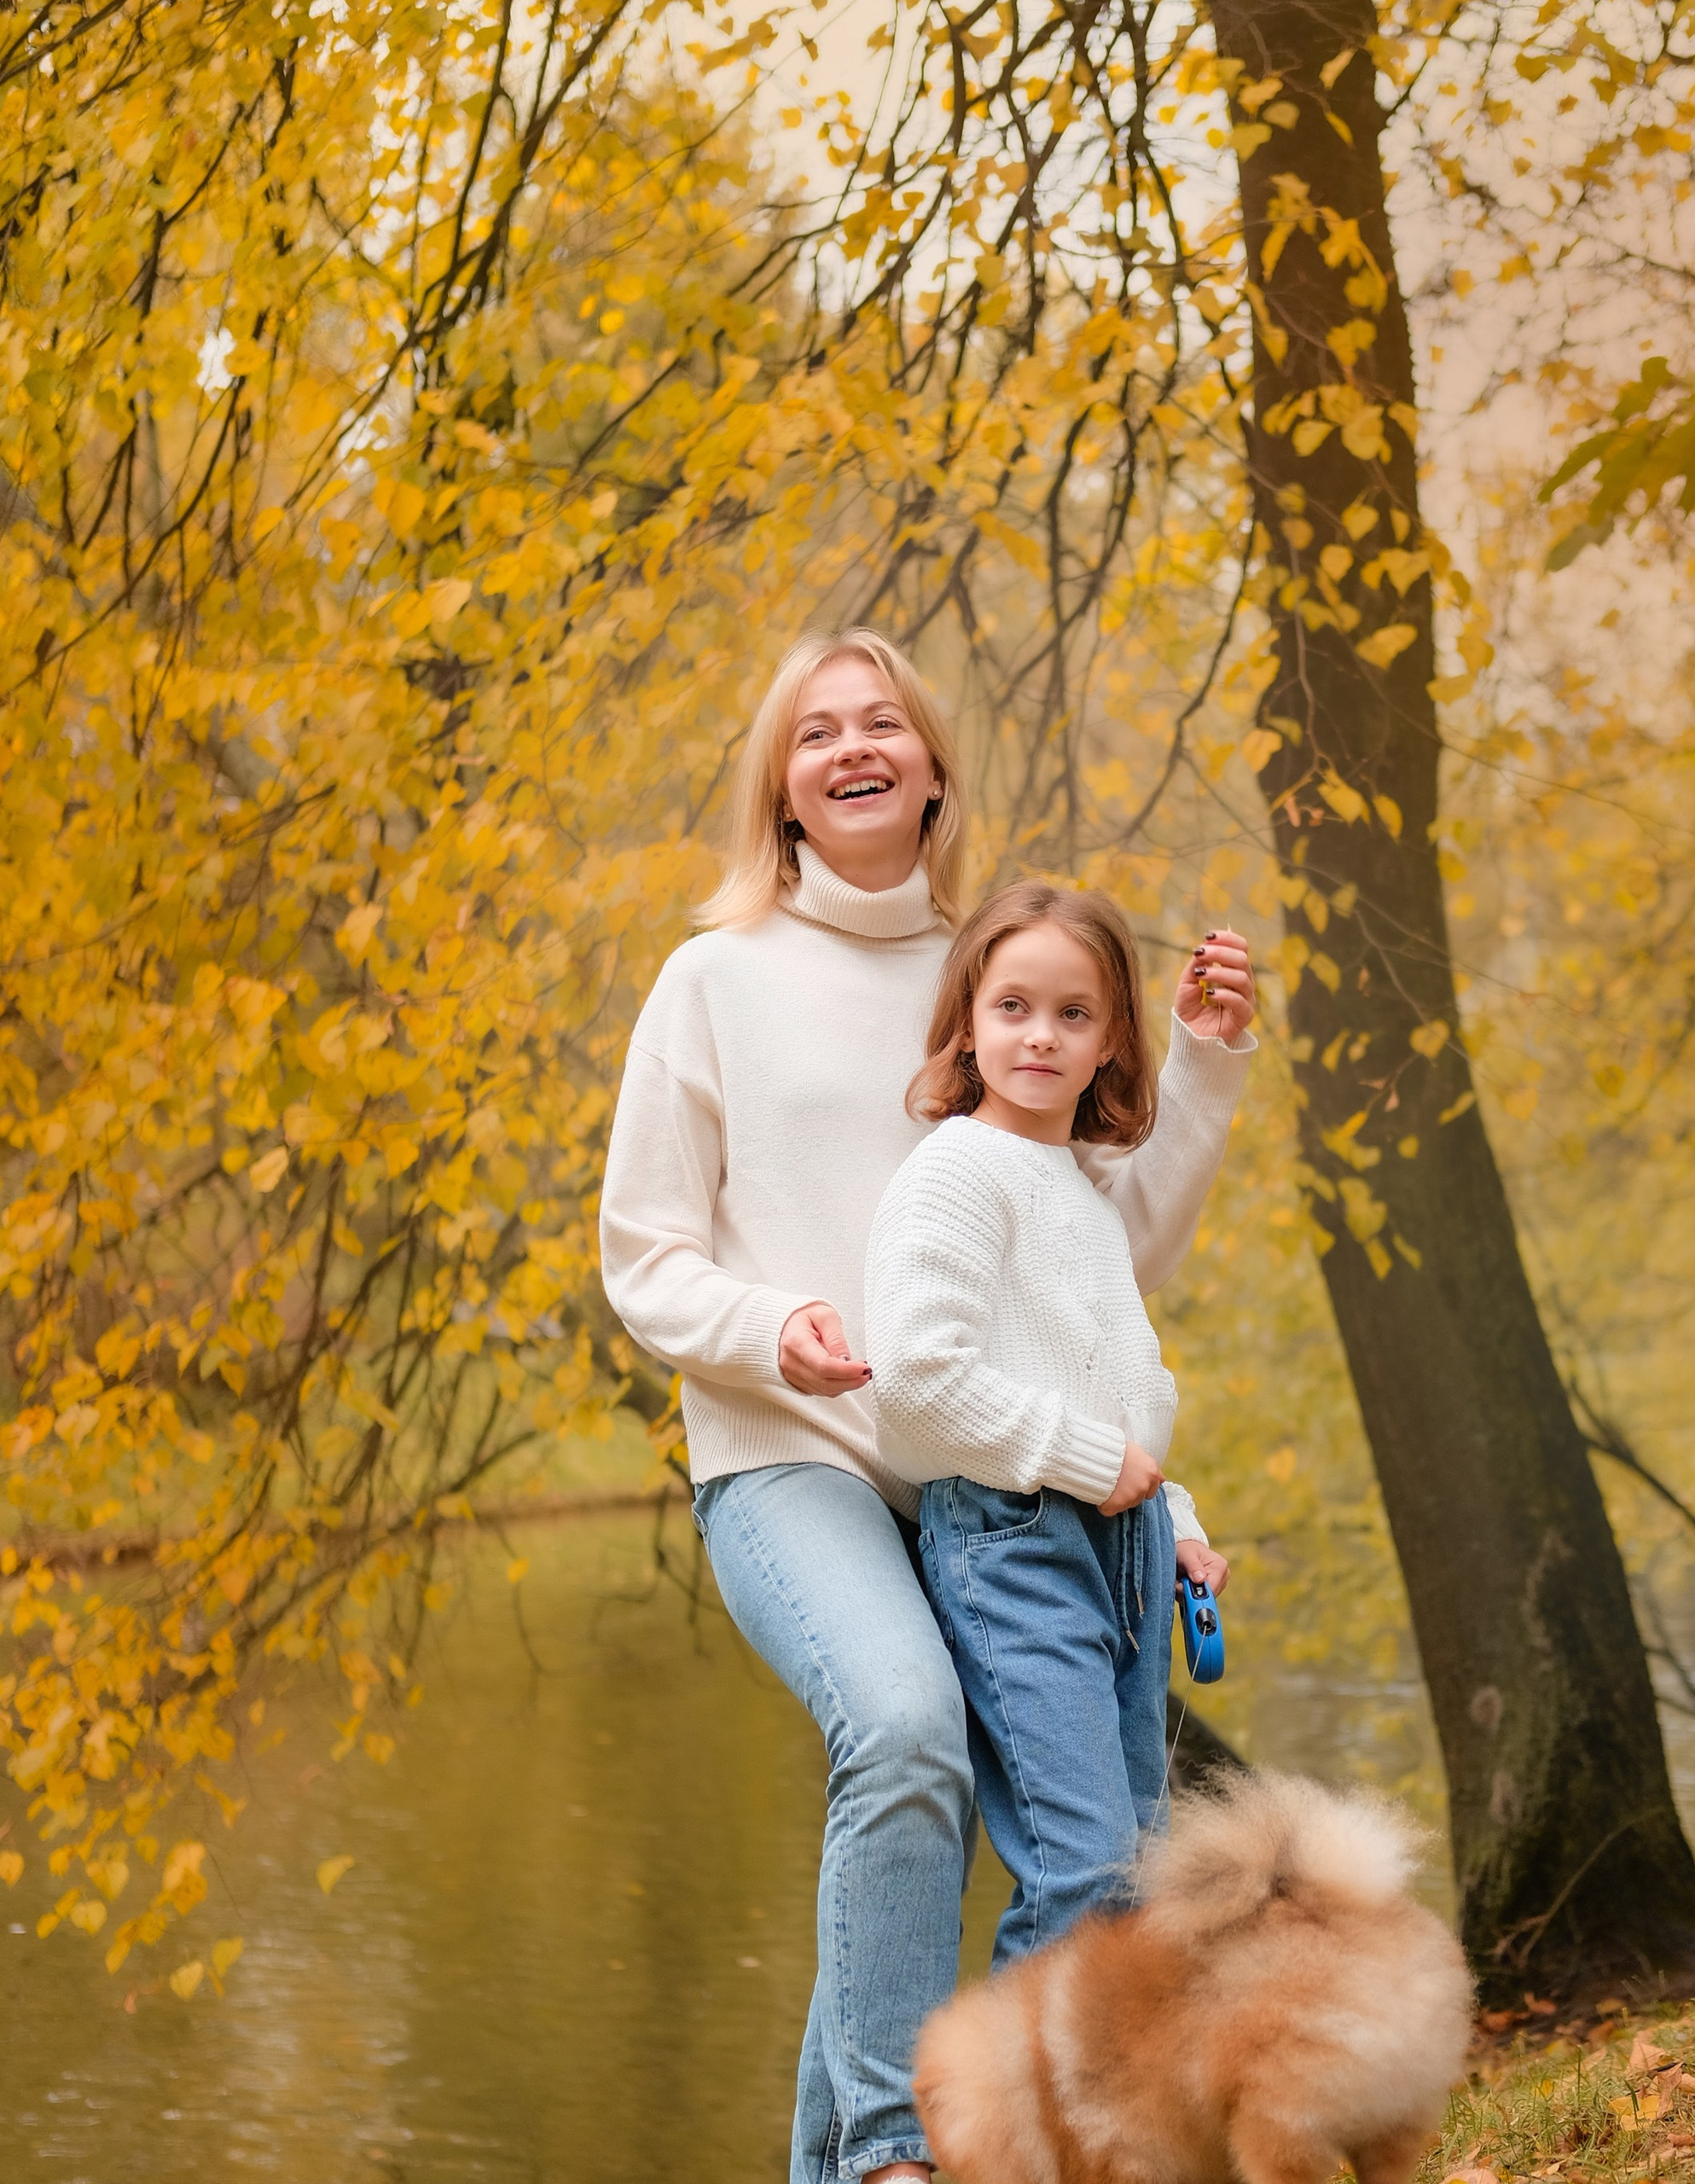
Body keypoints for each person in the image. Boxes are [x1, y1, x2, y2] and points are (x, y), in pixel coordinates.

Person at [595, 627, 1256, 2184]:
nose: (850, 747)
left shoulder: (995, 974)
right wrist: (775, 1328)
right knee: (903, 1732)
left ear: (936, 768)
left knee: (1003, 1832)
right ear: (785, 792)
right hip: (792, 1459)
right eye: (814, 733)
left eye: (880, 721)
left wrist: (1210, 1072)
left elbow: (1097, 1260)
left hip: (984, 1483)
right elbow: (644, 1260)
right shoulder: (715, 980)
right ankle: (897, 2153)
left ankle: (853, 2167)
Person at [864, 881, 1233, 1966]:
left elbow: (1100, 1381)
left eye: (1074, 1013)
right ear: (967, 1023)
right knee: (1082, 1875)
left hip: (1113, 1543)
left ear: (1113, 1037)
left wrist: (1171, 1519)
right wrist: (1091, 1462)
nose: (1040, 1034)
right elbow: (917, 1378)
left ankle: (1096, 2126)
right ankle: (1021, 2131)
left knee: (1132, 1872)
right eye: (1013, 1006)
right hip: (1014, 1551)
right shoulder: (954, 1174)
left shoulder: (1072, 1184)